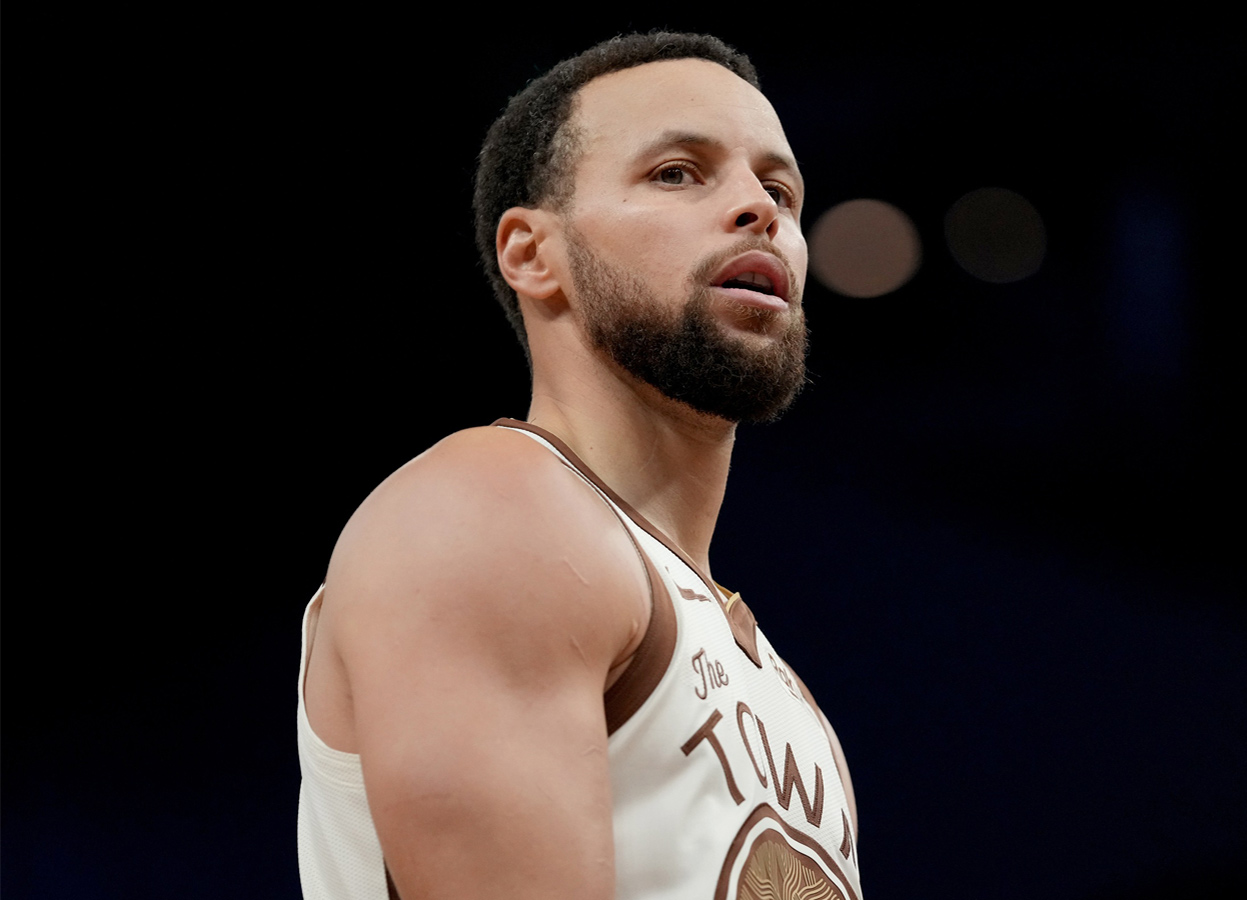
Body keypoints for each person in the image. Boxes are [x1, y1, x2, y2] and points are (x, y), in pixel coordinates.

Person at [294, 32, 861, 900]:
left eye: (779, 187)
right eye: (677, 173)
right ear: (532, 253)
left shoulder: (788, 694)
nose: (760, 209)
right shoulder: (492, 510)